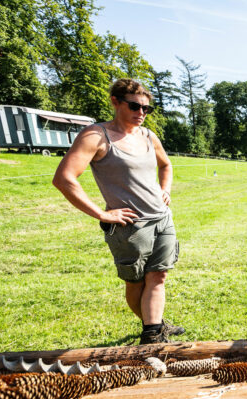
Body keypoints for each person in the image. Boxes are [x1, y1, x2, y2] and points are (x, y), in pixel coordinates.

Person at [53, 78, 184, 345]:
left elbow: (166, 165)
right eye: (135, 106)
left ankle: (153, 332)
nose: (141, 113)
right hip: (130, 227)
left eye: (147, 109)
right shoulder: (96, 136)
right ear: (115, 102)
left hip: (162, 219)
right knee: (135, 283)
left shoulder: (148, 135)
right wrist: (102, 214)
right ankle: (154, 326)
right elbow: (64, 178)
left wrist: (165, 189)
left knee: (158, 276)